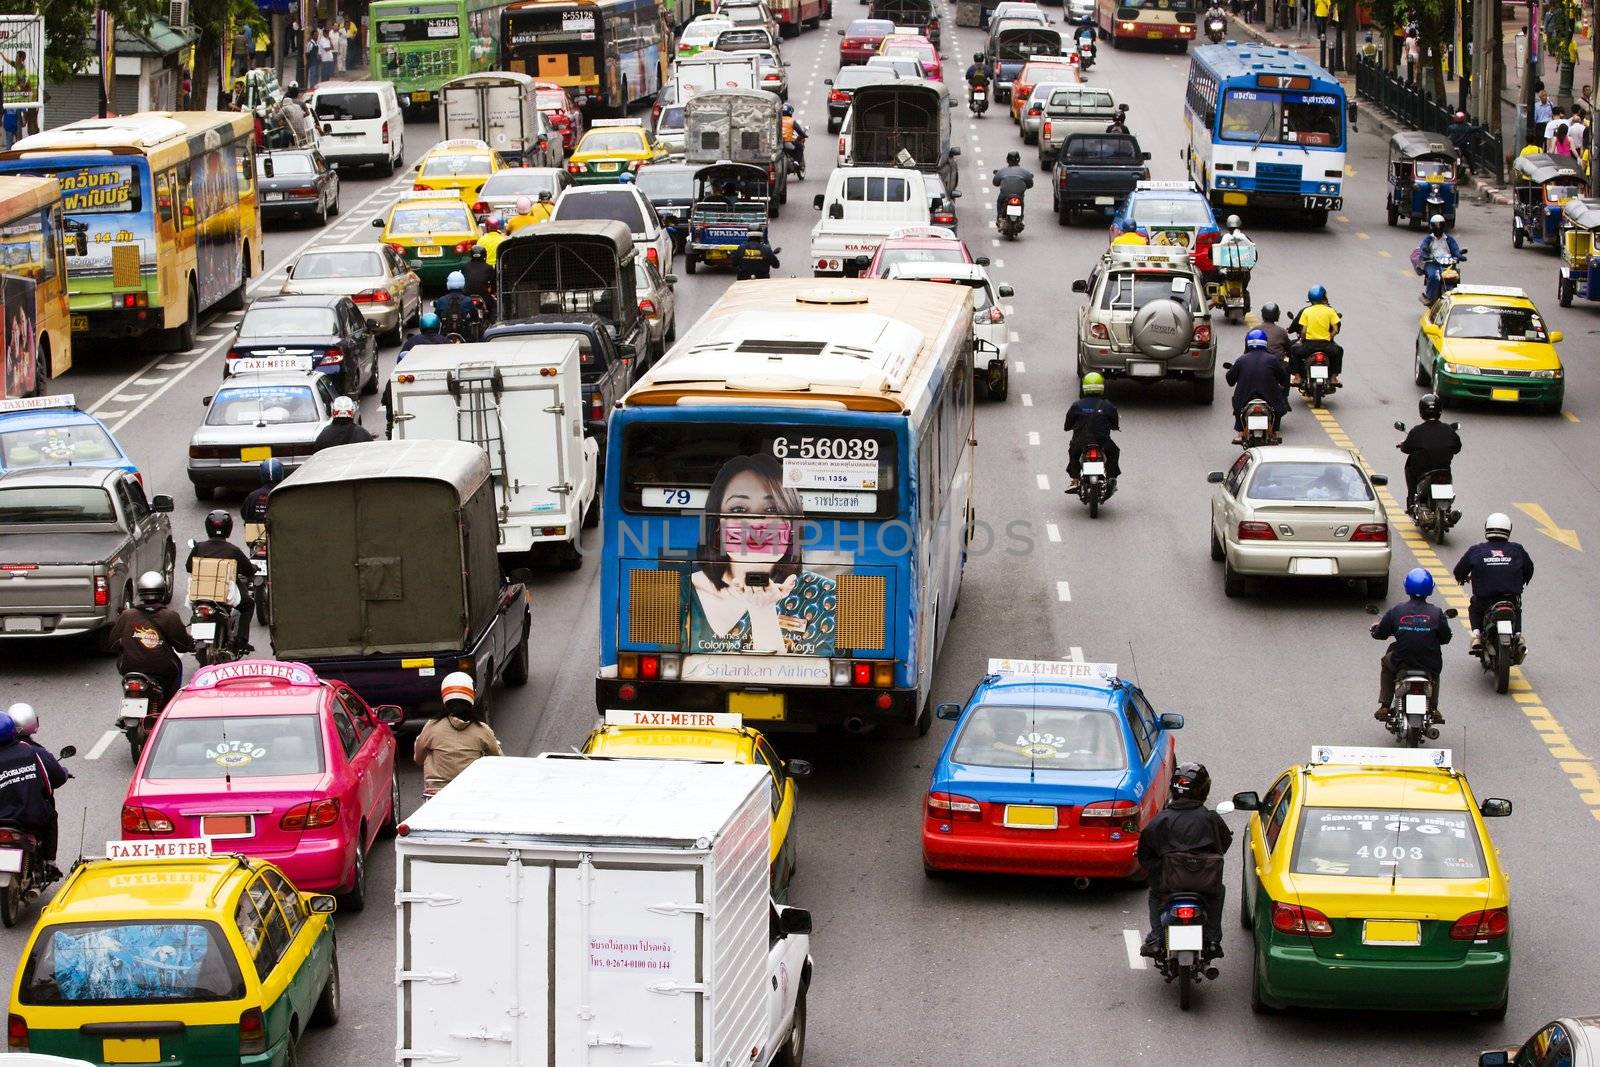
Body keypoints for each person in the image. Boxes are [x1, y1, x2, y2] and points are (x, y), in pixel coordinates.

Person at [1137, 762, 1231, 961]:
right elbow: (1224, 844)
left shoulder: (1160, 820)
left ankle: (1156, 938)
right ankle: (1213, 940)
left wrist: (1160, 869)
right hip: (1206, 886)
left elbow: (1145, 855)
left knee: (1154, 896)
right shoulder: (1211, 819)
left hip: (1168, 886)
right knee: (1218, 892)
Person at [1372, 567, 1451, 720]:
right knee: (1434, 675)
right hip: (1430, 663)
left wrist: (1375, 631)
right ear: (1431, 588)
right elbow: (1445, 638)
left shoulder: (1397, 610)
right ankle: (1434, 708)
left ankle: (1385, 705)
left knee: (1385, 663)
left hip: (1401, 661)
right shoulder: (1436, 612)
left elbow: (1380, 634)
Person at [108, 570, 194, 709]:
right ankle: (169, 708)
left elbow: (112, 643)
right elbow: (182, 646)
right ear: (162, 591)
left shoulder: (127, 615)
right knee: (177, 667)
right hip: (161, 670)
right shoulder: (170, 616)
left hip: (129, 669)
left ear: (140, 591)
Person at [0, 715, 69, 884]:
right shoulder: (31, 751)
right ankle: (49, 862)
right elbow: (51, 782)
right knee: (51, 815)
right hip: (30, 818)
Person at [1453, 514, 1535, 653]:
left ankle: (1477, 635)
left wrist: (1461, 578)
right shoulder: (1517, 549)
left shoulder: (1476, 550)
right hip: (1509, 599)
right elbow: (1529, 569)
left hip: (1484, 602)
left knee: (1474, 607)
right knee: (1517, 608)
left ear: (1487, 528)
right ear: (1509, 529)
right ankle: (1517, 636)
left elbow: (1459, 571)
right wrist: (1522, 580)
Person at [413, 672, 502, 796]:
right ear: (471, 696)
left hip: (436, 792)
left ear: (445, 697)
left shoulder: (432, 727)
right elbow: (499, 759)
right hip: (470, 789)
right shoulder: (482, 730)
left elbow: (418, 758)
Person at [187, 510, 258, 650]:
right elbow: (248, 570)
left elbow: (189, 567)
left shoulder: (199, 547)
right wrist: (253, 568)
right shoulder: (233, 550)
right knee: (248, 604)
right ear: (229, 528)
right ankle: (241, 641)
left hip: (200, 595)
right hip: (224, 595)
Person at [1397, 392, 1461, 509]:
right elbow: (1457, 448)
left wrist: (1402, 445)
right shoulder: (1448, 429)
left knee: (1409, 468)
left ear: (1421, 411)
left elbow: (1406, 448)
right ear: (1440, 410)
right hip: (1444, 471)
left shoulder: (1416, 431)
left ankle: (1411, 500)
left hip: (1423, 473)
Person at [1226, 329, 1288, 443]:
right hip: (1269, 398)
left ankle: (1240, 432)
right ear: (1265, 342)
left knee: (1237, 406)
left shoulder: (1241, 359)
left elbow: (1230, 380)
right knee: (1279, 404)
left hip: (1245, 398)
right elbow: (1284, 380)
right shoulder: (1272, 359)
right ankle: (1275, 431)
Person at [1064, 372, 1120, 491]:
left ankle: (1075, 480)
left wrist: (1068, 427)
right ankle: (1111, 478)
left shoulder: (1077, 405)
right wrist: (1114, 427)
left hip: (1080, 441)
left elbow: (1068, 423)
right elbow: (1114, 423)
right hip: (1102, 442)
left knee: (1073, 454)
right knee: (1114, 452)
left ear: (1084, 388)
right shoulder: (1107, 405)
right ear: (1102, 388)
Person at [1288, 285, 1342, 385]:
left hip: (1309, 346)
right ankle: (1333, 378)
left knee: (1293, 350)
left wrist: (1302, 340)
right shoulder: (1330, 310)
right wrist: (1329, 338)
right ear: (1323, 297)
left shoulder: (1306, 311)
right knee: (1339, 351)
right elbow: (1336, 329)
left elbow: (1303, 331)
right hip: (1326, 345)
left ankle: (1297, 377)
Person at [1416, 214, 1462, 305]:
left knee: (1455, 275)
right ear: (1432, 226)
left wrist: (1459, 255)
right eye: (1436, 225)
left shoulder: (1449, 239)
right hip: (1432, 263)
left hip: (1448, 264)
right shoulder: (1428, 239)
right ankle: (1429, 297)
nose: (1438, 227)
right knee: (1434, 276)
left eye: (1440, 225)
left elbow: (1455, 249)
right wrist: (1426, 255)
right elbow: (1423, 249)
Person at [433, 270, 483, 337]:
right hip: (464, 336)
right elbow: (475, 318)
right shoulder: (467, 300)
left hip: (445, 336)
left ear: (448, 283)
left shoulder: (441, 300)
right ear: (463, 283)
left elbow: (436, 319)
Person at [991, 151, 1033, 221]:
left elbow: (995, 183)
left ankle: (999, 217)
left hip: (1005, 195)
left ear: (1007, 160)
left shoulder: (1002, 171)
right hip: (1019, 196)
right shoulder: (1025, 172)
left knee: (1000, 202)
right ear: (1019, 160)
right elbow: (1030, 185)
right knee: (1021, 201)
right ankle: (1021, 217)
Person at [241, 458, 284, 524]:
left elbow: (244, 514)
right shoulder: (286, 494)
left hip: (257, 533)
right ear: (281, 473)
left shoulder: (252, 496)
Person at [461, 246, 497, 322]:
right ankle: (492, 323)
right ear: (484, 255)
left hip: (467, 294)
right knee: (495, 306)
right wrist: (493, 291)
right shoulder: (488, 267)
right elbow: (493, 283)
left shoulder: (465, 266)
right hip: (483, 295)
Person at [781, 103, 806, 174]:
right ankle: (796, 162)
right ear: (790, 112)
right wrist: (805, 135)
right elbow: (800, 132)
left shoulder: (777, 120)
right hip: (787, 142)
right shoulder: (791, 121)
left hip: (778, 143)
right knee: (800, 147)